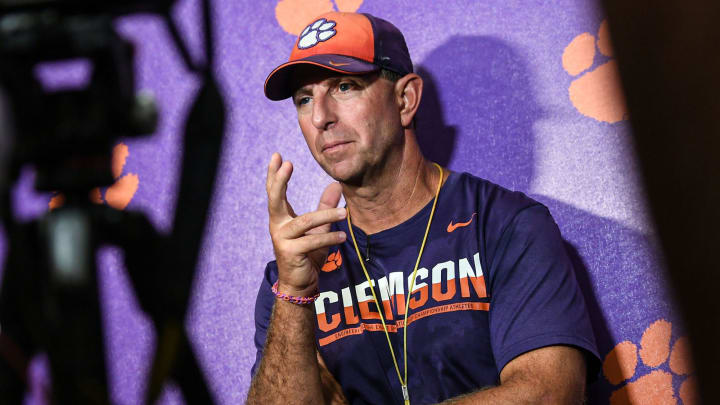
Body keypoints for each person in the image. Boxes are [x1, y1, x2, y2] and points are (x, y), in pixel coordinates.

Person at [247, 11, 599, 405]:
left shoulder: (505, 226)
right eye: (304, 99)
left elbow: (550, 395)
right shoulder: (292, 277)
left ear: (405, 99)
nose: (320, 117)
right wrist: (295, 294)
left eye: (345, 86)